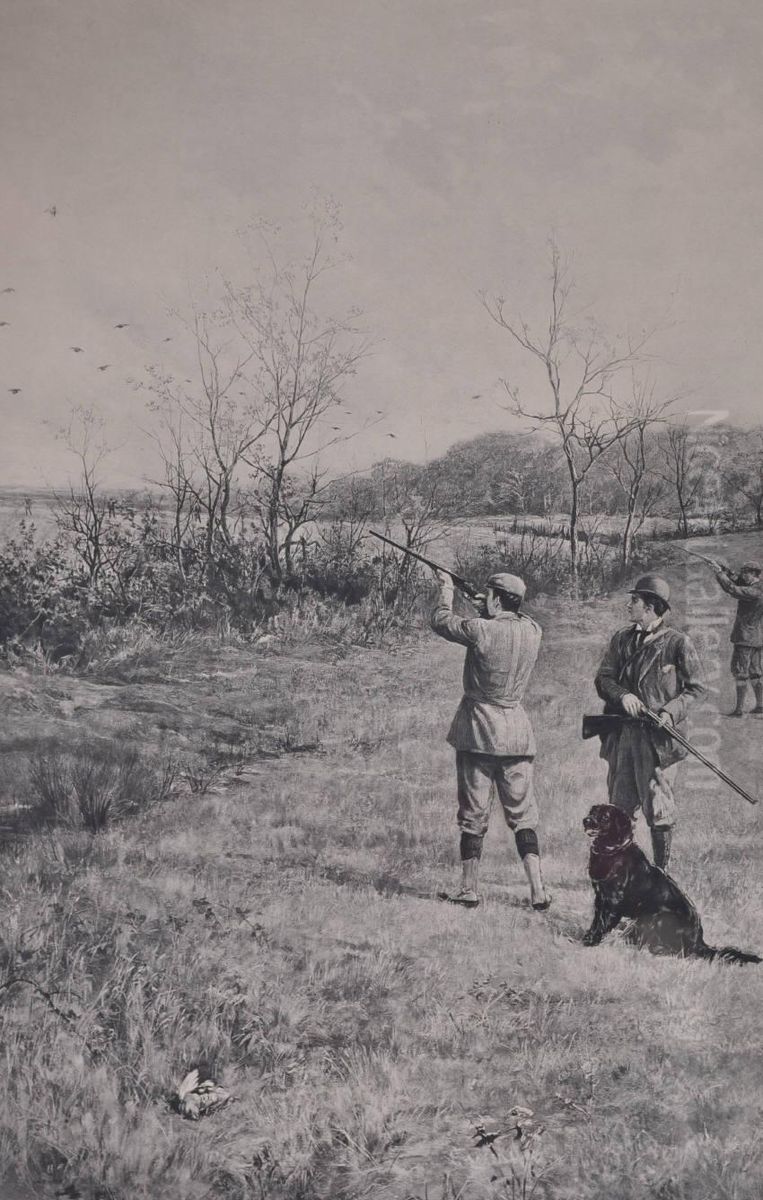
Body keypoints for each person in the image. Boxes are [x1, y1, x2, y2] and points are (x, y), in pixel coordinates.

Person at [430, 569, 550, 911]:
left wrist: (446, 589)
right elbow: (514, 619)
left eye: (490, 596)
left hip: (479, 732)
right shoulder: (533, 630)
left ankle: (469, 889)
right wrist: (490, 605)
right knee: (523, 816)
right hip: (517, 734)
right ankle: (538, 890)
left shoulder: (481, 629)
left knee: (473, 813)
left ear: (496, 598)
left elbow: (442, 621)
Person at [594, 574, 706, 871]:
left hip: (657, 741)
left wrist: (670, 712)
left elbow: (696, 689)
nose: (629, 604)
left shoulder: (677, 643)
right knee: (619, 805)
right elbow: (603, 678)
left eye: (635, 600)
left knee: (658, 807)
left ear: (651, 607)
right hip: (623, 736)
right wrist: (622, 697)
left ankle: (661, 874)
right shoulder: (621, 638)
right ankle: (620, 872)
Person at [711, 560, 763, 717]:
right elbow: (737, 580)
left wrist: (719, 573)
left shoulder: (754, 592)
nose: (743, 575)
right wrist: (724, 569)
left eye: (746, 573)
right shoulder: (757, 586)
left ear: (754, 574)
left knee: (740, 672)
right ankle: (761, 706)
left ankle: (739, 710)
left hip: (745, 638)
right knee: (755, 672)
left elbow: (732, 589)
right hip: (756, 638)